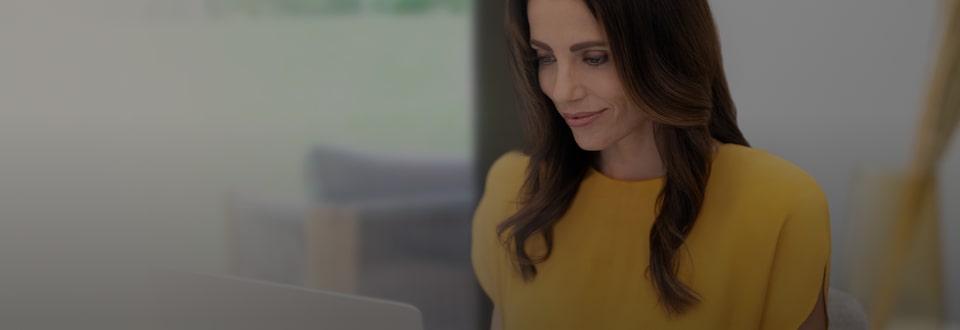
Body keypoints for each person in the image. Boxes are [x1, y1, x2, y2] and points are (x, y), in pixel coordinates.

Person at [470, 0, 831, 329]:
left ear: (667, 50)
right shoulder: (513, 189)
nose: (562, 90)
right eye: (545, 58)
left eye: (595, 58)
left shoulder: (781, 204)